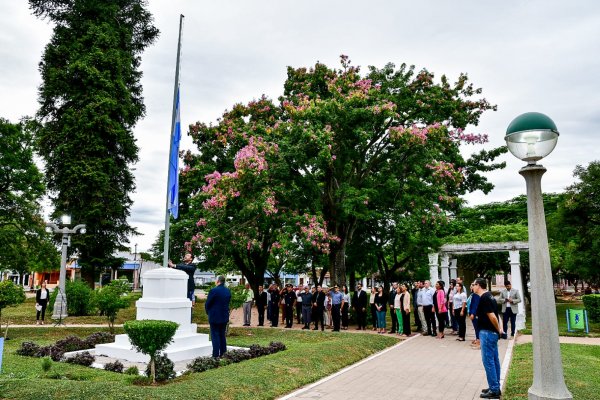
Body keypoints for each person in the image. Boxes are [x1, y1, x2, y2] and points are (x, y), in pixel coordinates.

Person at [472, 278, 503, 399]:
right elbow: (496, 314)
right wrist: (499, 329)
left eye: (473, 285)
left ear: (479, 285)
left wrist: (498, 329)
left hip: (488, 333)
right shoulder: (489, 296)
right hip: (491, 333)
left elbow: (493, 316)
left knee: (488, 361)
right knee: (494, 360)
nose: (472, 287)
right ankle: (494, 386)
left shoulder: (484, 298)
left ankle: (494, 390)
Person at [205, 275, 231, 358]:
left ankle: (215, 355)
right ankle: (223, 353)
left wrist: (208, 312)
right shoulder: (227, 290)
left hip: (215, 316)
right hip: (224, 316)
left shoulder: (214, 290)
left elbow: (207, 304)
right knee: (222, 335)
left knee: (215, 335)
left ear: (218, 281)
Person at [468, 283, 481, 349]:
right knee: (476, 327)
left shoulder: (476, 295)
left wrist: (473, 313)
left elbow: (475, 305)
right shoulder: (473, 295)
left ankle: (479, 341)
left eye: (472, 287)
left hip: (475, 314)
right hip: (473, 313)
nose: (471, 288)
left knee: (477, 327)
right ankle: (477, 339)